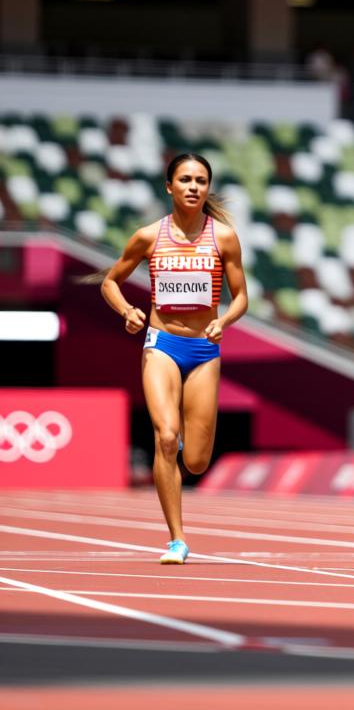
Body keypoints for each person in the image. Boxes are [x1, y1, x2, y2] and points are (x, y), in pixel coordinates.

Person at [100, 153, 248, 565]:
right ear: (169, 186)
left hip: (204, 350)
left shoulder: (224, 238)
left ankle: (183, 445)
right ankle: (177, 539)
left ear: (207, 188)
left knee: (197, 461)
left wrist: (225, 321)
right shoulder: (148, 237)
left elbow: (242, 298)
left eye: (201, 180)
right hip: (161, 344)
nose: (193, 187)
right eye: (185, 179)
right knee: (165, 437)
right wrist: (127, 311)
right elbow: (111, 282)